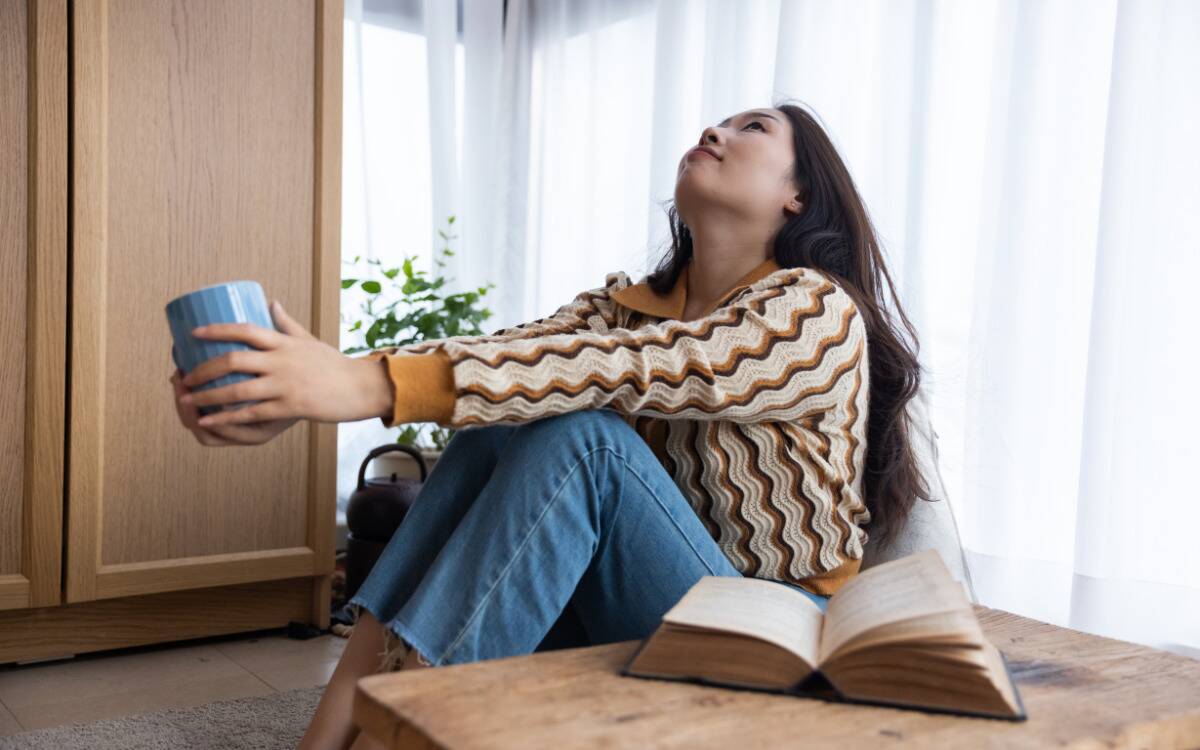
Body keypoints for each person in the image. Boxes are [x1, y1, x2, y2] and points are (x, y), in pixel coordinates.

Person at [169, 100, 930, 750]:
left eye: (753, 128)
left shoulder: (815, 312)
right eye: (719, 121)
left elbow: (642, 367)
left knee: (584, 442)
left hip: (781, 636)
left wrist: (355, 385)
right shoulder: (627, 306)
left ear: (798, 195)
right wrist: (300, 392)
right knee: (500, 421)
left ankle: (399, 730)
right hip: (640, 605)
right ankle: (328, 734)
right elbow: (507, 358)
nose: (716, 130)